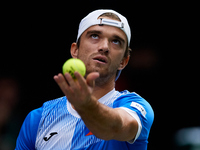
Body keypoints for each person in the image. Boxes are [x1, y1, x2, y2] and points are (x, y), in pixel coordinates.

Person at [15, 9, 154, 150]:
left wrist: (87, 106)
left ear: (124, 61)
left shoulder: (136, 106)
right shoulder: (38, 119)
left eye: (116, 41)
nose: (104, 47)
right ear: (75, 50)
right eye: (94, 36)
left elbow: (115, 127)